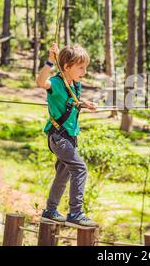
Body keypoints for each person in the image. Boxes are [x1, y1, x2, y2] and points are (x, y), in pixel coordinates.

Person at [36, 42, 99, 229]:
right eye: (81, 67)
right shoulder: (55, 83)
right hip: (59, 138)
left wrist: (85, 104)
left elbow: (73, 101)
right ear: (67, 67)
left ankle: (50, 210)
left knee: (63, 174)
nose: (84, 72)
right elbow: (40, 82)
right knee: (80, 169)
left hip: (69, 137)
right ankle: (75, 213)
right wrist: (49, 61)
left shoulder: (74, 84)